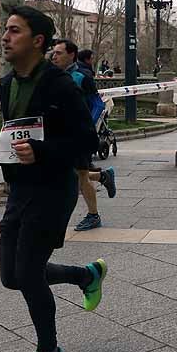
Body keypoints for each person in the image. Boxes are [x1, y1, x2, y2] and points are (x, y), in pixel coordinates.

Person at [0, 6, 106, 352]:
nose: (4, 37)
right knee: (11, 276)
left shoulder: (59, 84)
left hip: (53, 189)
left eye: (14, 31)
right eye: (5, 30)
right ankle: (85, 275)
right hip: (21, 189)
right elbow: (14, 131)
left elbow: (87, 140)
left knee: (29, 272)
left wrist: (43, 152)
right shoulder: (7, 84)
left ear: (37, 41)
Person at [50, 40, 117, 231]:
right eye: (53, 53)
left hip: (78, 134)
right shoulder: (52, 76)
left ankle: (93, 215)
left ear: (71, 55)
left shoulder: (82, 76)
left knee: (80, 175)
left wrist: (87, 124)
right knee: (70, 172)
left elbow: (97, 103)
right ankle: (103, 176)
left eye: (59, 53)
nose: (54, 56)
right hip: (59, 135)